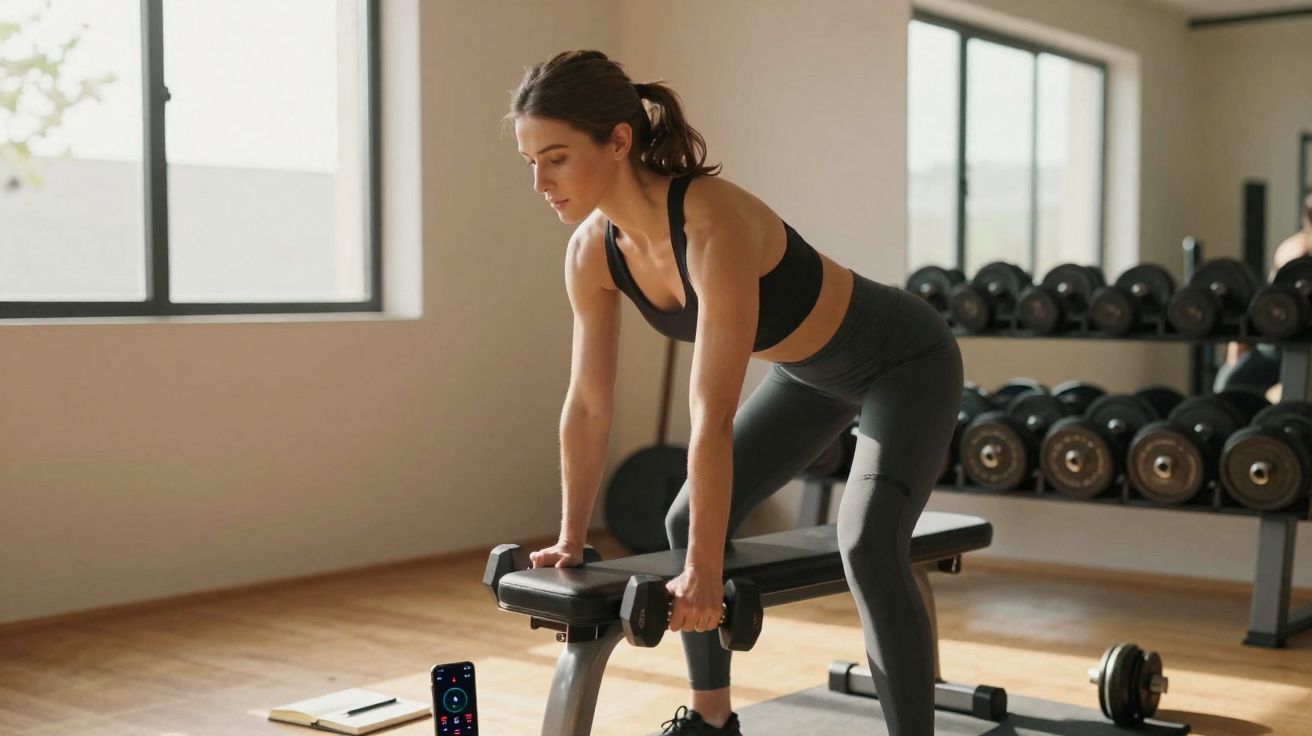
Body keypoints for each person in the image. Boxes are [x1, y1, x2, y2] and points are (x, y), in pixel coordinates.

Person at [509, 50, 962, 736]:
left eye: (557, 158)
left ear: (618, 141)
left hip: (904, 362)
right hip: (808, 377)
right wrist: (571, 538)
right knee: (687, 520)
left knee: (868, 544)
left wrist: (703, 572)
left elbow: (710, 412)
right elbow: (589, 405)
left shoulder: (711, 225)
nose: (540, 182)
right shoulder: (591, 252)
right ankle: (712, 720)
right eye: (530, 162)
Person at [1216, 193, 1312, 401]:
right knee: (1230, 383)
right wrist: (1239, 340)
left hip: (1305, 341)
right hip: (1279, 341)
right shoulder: (1294, 251)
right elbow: (1266, 297)